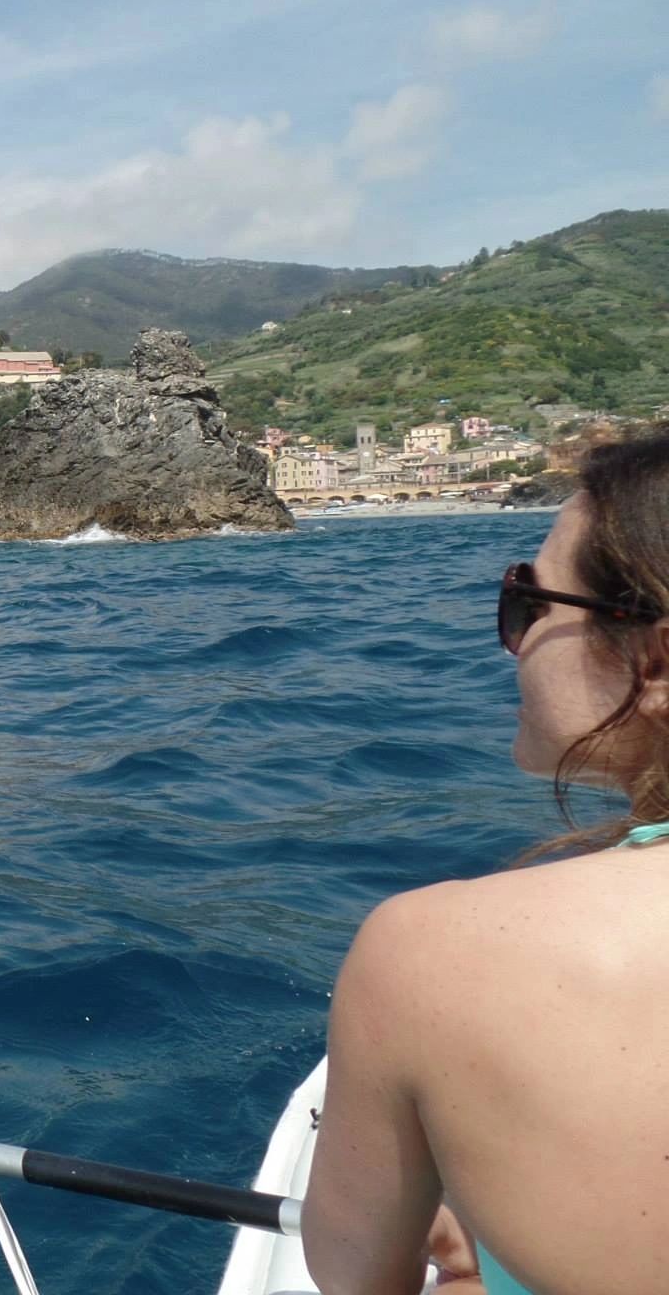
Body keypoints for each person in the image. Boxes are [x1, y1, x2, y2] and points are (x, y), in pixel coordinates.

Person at [301, 430, 669, 1295]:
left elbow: (355, 1279)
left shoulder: (429, 953)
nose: (510, 639)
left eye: (527, 605)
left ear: (654, 659)